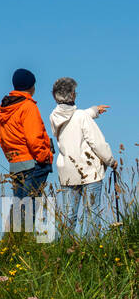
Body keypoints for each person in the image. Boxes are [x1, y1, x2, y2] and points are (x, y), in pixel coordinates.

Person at [49, 77, 116, 237]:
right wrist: (111, 161)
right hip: (89, 172)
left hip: (67, 172)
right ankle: (92, 249)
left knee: (69, 215)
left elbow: (73, 118)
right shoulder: (81, 117)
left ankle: (63, 249)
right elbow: (97, 143)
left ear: (55, 96)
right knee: (92, 214)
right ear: (73, 95)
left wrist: (93, 110)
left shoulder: (54, 117)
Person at [0, 68, 54, 232]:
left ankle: (12, 244)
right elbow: (34, 137)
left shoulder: (3, 109)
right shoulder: (28, 106)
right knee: (29, 208)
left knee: (18, 206)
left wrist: (12, 158)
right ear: (31, 86)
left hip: (16, 163)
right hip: (32, 163)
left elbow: (2, 139)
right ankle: (25, 245)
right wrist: (45, 157)